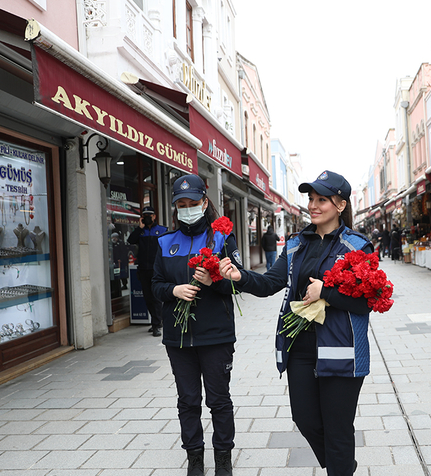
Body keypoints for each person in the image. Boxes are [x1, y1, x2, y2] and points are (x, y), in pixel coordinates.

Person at [219, 170, 371, 476]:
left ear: (341, 205)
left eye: (322, 200)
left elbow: (366, 302)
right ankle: (343, 463)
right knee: (304, 418)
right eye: (311, 199)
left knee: (338, 427)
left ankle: (340, 466)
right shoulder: (295, 244)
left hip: (341, 348)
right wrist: (239, 276)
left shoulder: (357, 246)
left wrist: (325, 292)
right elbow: (269, 284)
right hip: (299, 346)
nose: (313, 205)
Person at [151, 174, 243, 476]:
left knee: (219, 400)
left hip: (216, 336)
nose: (187, 209)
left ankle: (223, 458)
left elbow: (238, 284)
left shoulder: (222, 239)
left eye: (192, 203)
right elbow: (155, 285)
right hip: (178, 339)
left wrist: (214, 280)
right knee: (188, 401)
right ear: (175, 207)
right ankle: (194, 458)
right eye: (181, 205)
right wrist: (174, 290)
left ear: (204, 203)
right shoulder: (165, 242)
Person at [127, 205, 167, 336]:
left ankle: (156, 324)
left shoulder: (162, 230)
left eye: (149, 216)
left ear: (154, 216)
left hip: (156, 269)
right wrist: (139, 228)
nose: (147, 218)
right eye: (145, 216)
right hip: (143, 269)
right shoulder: (140, 232)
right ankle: (157, 321)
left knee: (156, 298)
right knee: (148, 298)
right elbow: (130, 240)